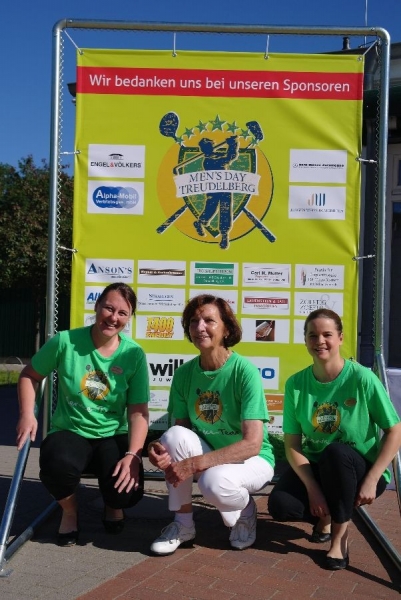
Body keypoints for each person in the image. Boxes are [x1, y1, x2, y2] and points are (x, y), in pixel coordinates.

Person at [16, 282, 150, 546]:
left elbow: (138, 412)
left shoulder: (133, 354)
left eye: (122, 313)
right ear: (97, 306)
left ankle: (113, 506)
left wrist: (133, 455)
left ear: (129, 318)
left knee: (126, 492)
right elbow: (29, 375)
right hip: (71, 430)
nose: (113, 317)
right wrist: (27, 414)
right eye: (108, 308)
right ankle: (70, 511)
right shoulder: (65, 341)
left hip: (112, 433)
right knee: (56, 465)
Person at [268, 308, 401, 570]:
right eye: (312, 335)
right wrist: (313, 489)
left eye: (327, 334)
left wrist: (374, 478)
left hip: (361, 470)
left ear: (340, 338)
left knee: (336, 452)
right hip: (320, 467)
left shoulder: (362, 378)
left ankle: (339, 539)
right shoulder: (296, 384)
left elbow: (394, 431)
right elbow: (293, 445)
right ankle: (326, 516)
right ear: (305, 340)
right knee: (281, 505)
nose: (320, 341)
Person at [148, 294, 275, 555]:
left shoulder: (244, 371)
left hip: (253, 460)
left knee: (213, 483)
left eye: (209, 320)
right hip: (212, 459)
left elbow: (252, 444)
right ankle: (183, 524)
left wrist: (195, 464)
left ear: (226, 329)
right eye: (194, 322)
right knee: (173, 437)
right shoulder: (184, 374)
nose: (200, 327)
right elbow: (180, 433)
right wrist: (157, 448)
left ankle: (246, 510)